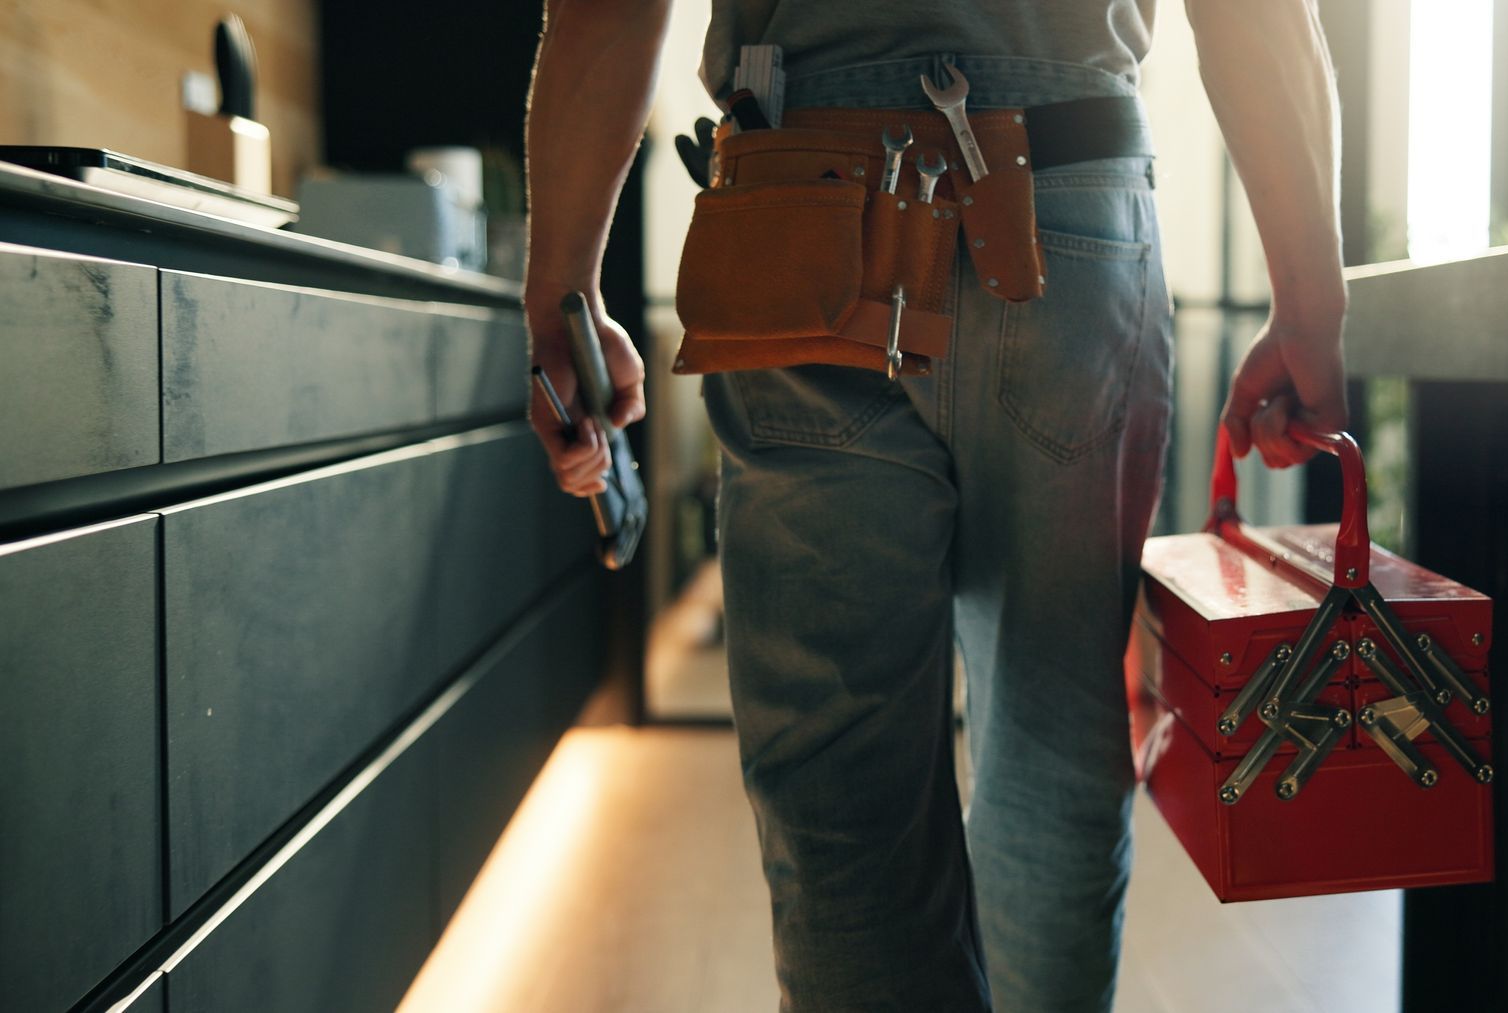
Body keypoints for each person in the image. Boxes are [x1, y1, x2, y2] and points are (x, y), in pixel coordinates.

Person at [522, 1, 1348, 1009]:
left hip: (797, 213)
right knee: (1054, 750)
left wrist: (563, 286)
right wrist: (1310, 301)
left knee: (843, 802)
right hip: (1071, 210)